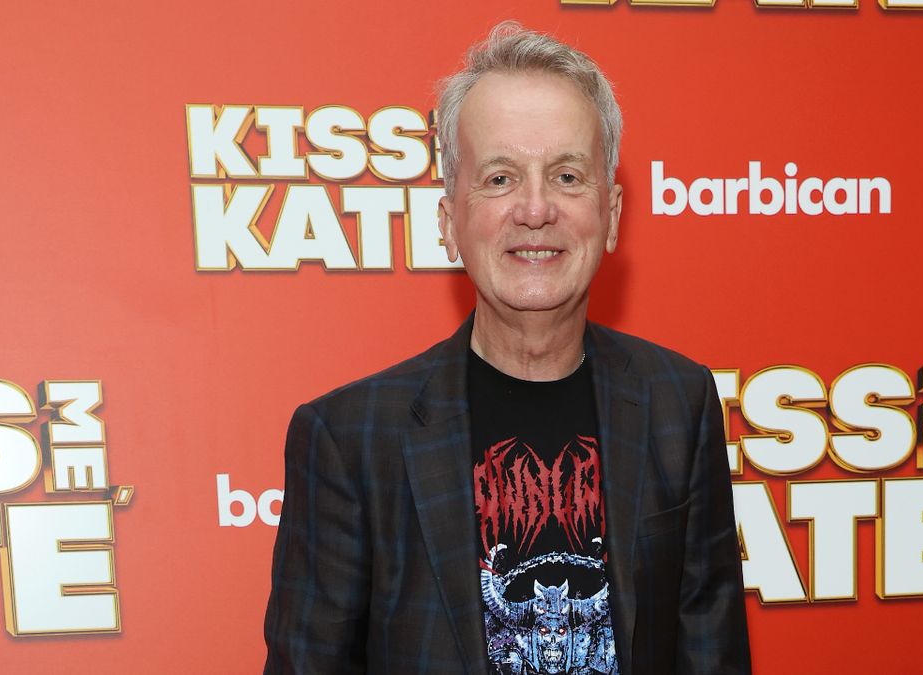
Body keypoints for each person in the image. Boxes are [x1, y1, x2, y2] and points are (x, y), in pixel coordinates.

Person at [264, 21, 751, 675]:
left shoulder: (677, 404)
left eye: (567, 175)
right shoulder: (349, 439)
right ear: (448, 221)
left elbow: (712, 656)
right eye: (499, 178)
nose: (535, 208)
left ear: (610, 215)